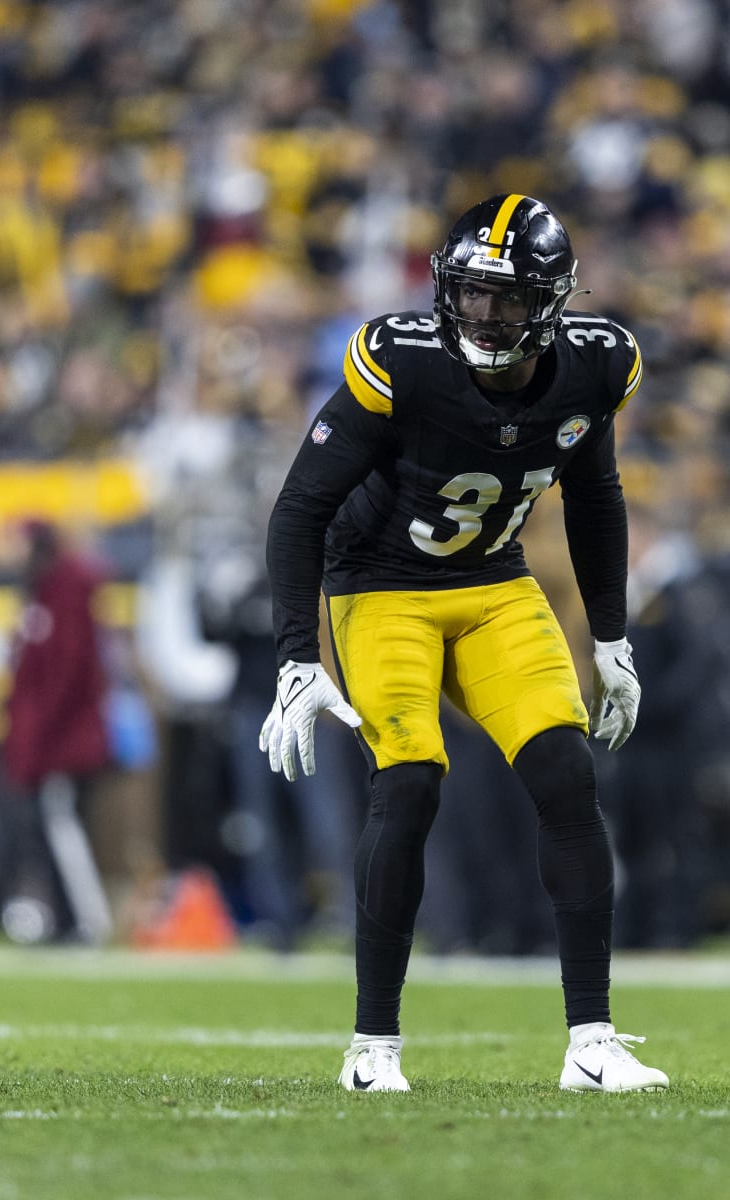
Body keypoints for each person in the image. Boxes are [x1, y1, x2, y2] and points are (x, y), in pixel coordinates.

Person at [263, 194, 666, 1093]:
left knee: (565, 772)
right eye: (473, 295)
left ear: (553, 303)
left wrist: (611, 639)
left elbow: (595, 498)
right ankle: (373, 1050)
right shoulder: (400, 362)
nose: (486, 315)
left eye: (509, 298)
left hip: (491, 584)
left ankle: (592, 1044)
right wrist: (297, 655)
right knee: (407, 785)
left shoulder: (597, 368)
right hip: (378, 584)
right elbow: (301, 507)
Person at [0, 520, 114, 944]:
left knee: (65, 830)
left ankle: (86, 922)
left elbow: (67, 676)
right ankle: (63, 920)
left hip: (64, 742)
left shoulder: (67, 593)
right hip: (46, 742)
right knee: (50, 832)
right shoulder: (40, 595)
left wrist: (39, 737)